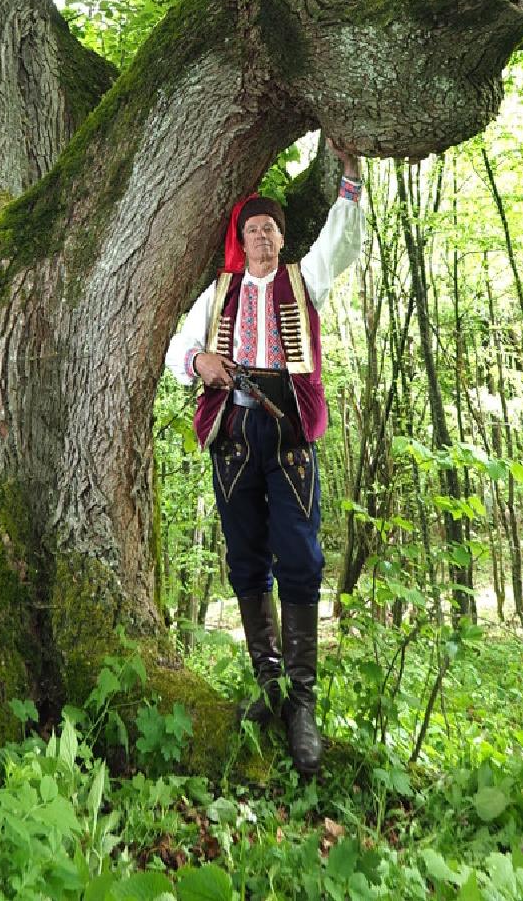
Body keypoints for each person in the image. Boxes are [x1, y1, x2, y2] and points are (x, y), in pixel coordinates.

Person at [165, 144, 363, 775]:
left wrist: (351, 175)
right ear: (241, 239)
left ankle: (303, 704)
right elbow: (179, 348)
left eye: (271, 230)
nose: (262, 240)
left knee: (300, 556)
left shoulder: (304, 282)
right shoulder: (217, 295)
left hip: (289, 435)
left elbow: (342, 241)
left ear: (282, 238)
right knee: (246, 559)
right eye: (253, 231)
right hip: (233, 435)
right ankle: (270, 685)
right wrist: (200, 363)